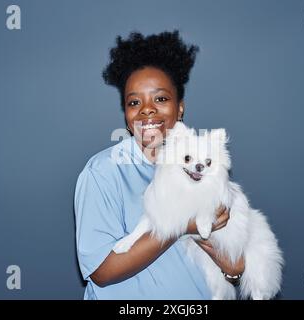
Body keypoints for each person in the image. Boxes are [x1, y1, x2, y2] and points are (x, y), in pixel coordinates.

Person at [74, 30, 245, 300]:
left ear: (180, 108)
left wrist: (234, 272)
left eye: (161, 98)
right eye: (134, 102)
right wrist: (181, 225)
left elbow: (229, 263)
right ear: (126, 113)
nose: (147, 109)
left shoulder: (206, 167)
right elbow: (102, 271)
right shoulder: (103, 172)